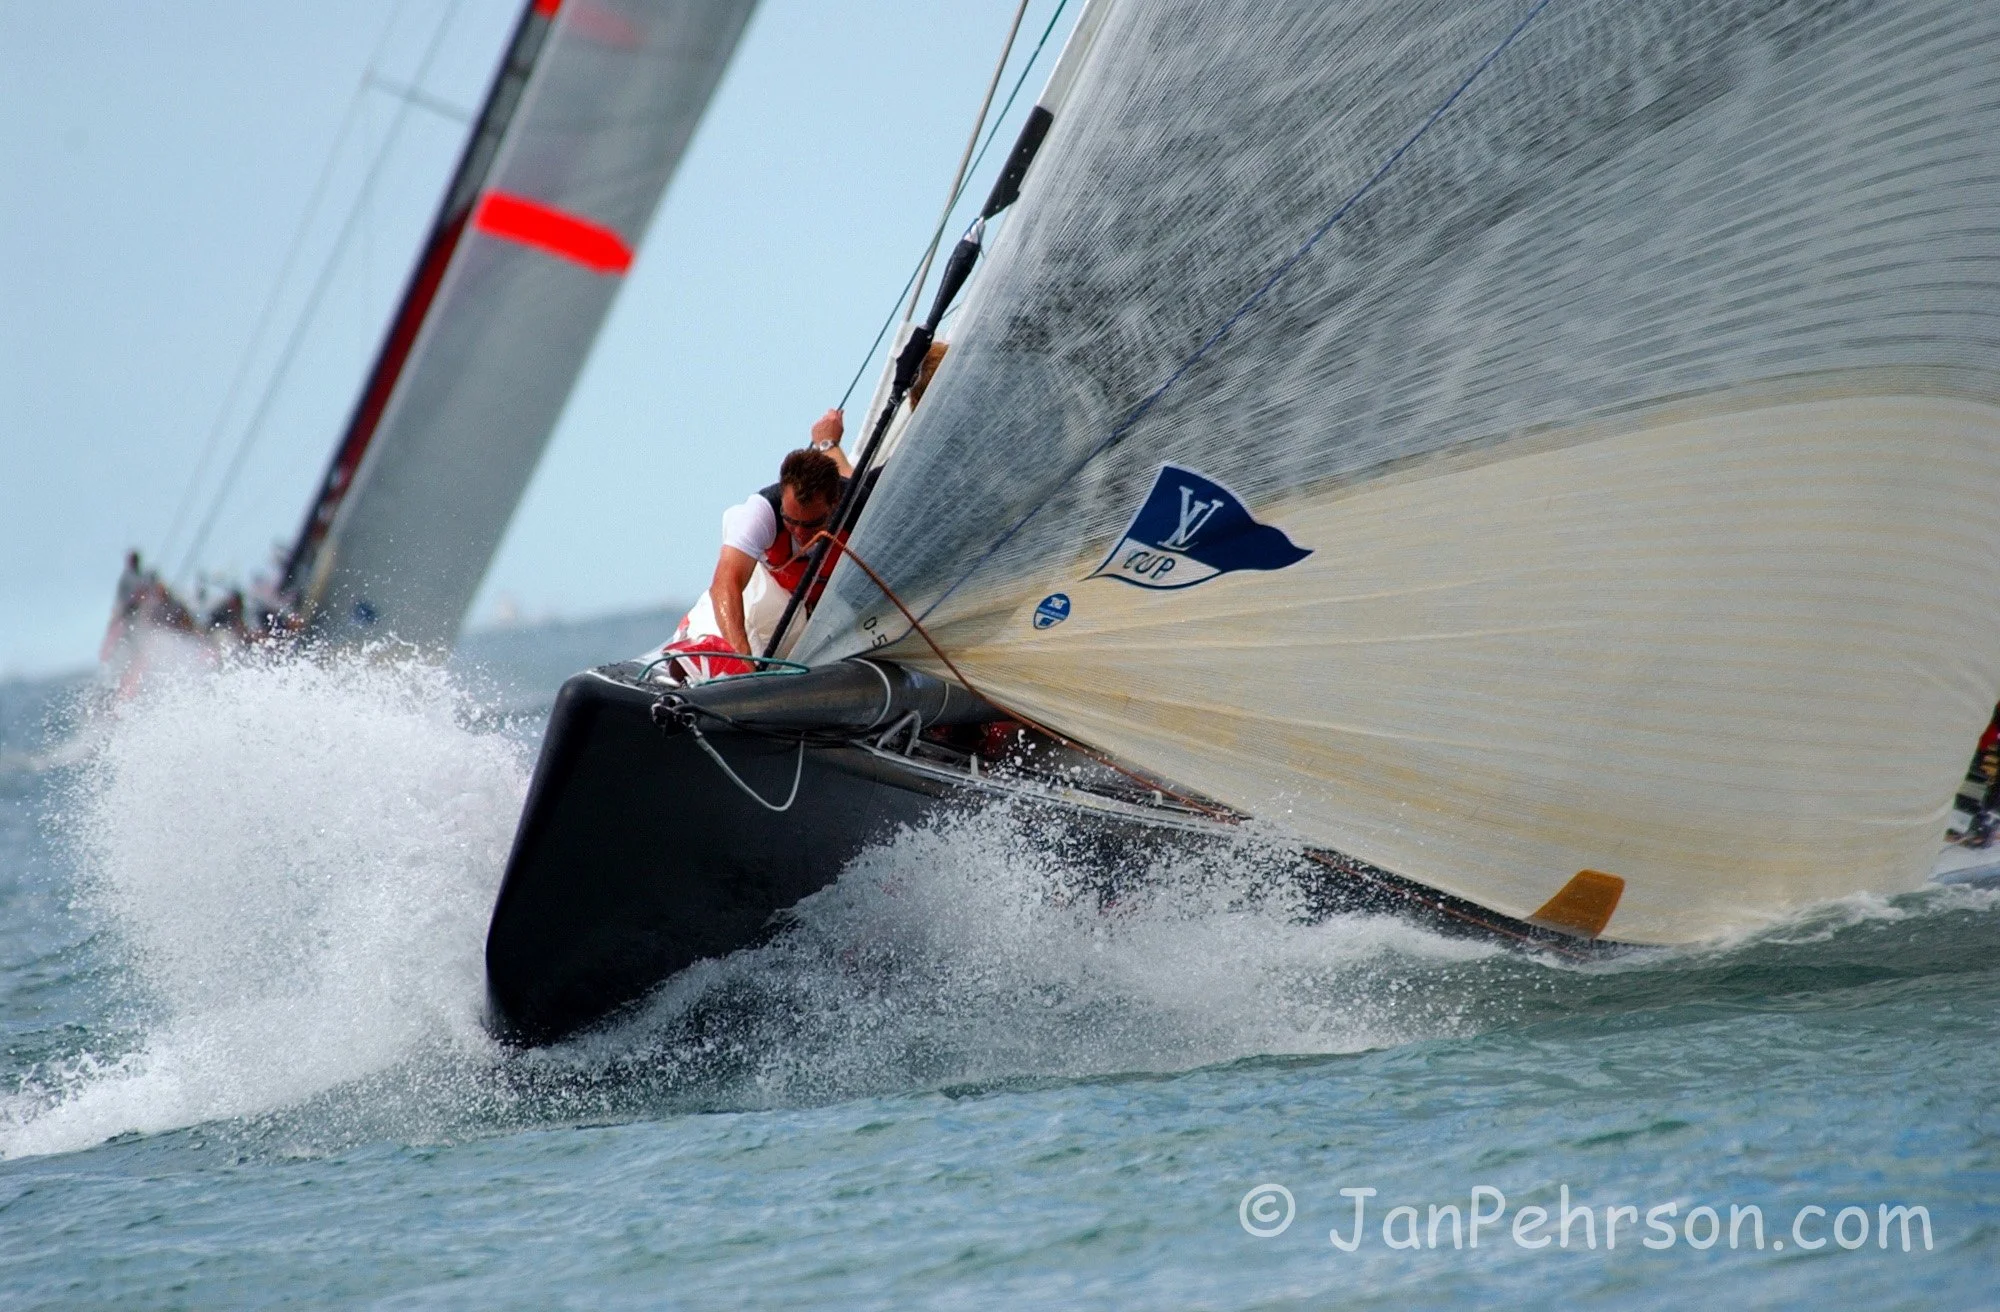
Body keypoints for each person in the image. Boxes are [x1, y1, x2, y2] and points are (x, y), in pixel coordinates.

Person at [663, 415, 851, 681]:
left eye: (810, 524)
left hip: (827, 617)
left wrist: (829, 443)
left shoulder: (859, 506)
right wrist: (742, 660)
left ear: (834, 505)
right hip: (775, 603)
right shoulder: (761, 511)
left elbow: (852, 477)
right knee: (760, 602)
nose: (798, 532)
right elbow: (726, 582)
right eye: (790, 520)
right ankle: (703, 648)